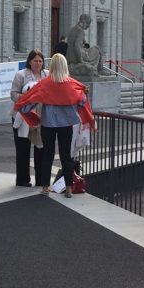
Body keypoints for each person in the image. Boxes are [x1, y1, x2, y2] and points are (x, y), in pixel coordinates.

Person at [13, 52, 94, 198]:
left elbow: (30, 101)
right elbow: (82, 102)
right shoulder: (73, 84)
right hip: (66, 124)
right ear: (65, 66)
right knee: (66, 156)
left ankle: (45, 187)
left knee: (47, 155)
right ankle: (68, 188)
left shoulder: (44, 84)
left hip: (48, 124)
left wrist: (23, 109)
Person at [9, 49, 48, 188]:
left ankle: (41, 180)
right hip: (23, 116)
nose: (38, 63)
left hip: (41, 117)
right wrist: (28, 96)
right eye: (35, 60)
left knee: (41, 148)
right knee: (22, 149)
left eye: (40, 61)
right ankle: (22, 179)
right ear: (30, 61)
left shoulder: (47, 75)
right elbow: (13, 94)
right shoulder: (21, 75)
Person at [66, 14, 106, 78]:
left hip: (70, 56)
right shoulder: (80, 31)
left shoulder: (72, 29)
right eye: (88, 24)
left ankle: (100, 69)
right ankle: (100, 69)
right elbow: (77, 47)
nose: (88, 27)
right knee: (97, 48)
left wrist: (83, 42)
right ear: (84, 22)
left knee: (94, 49)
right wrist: (81, 61)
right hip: (76, 57)